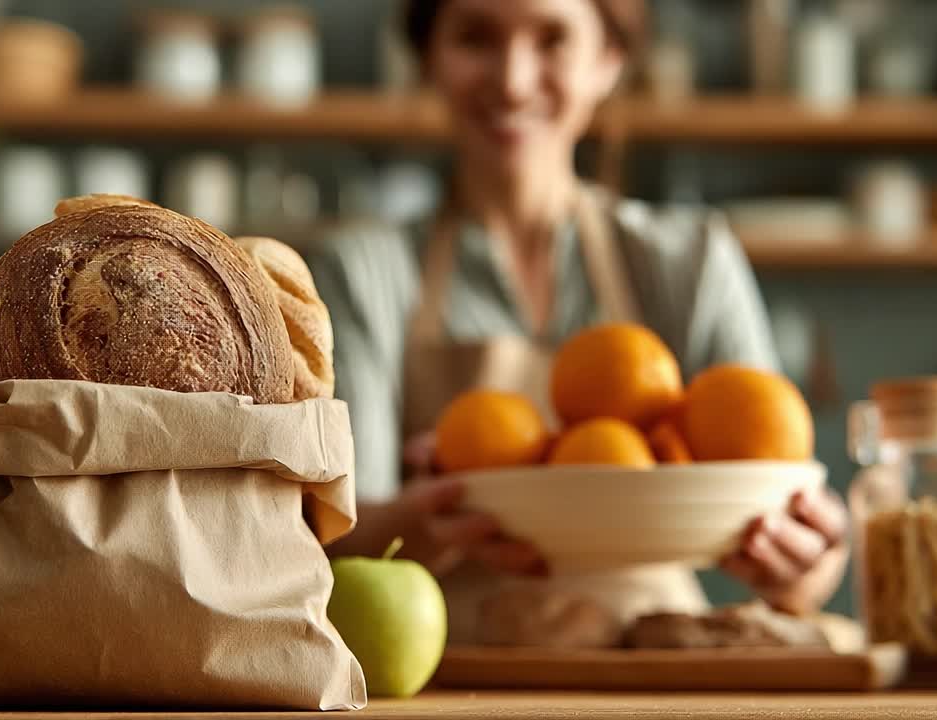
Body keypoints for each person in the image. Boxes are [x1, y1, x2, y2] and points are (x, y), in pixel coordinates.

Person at [310, 0, 847, 643]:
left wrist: (805, 563)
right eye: (476, 37)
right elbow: (330, 539)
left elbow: (775, 486)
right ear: (427, 58)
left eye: (553, 39)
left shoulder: (690, 261)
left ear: (609, 61)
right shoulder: (363, 272)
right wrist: (417, 523)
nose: (512, 79)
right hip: (451, 687)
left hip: (660, 675)